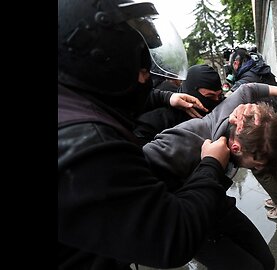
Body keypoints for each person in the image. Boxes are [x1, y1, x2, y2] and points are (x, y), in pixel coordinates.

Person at [58, 1, 233, 269]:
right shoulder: (91, 147)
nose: (145, 79)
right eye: (140, 70)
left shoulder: (72, 99)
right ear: (99, 61)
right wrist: (211, 164)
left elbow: (113, 96)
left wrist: (167, 97)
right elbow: (172, 237)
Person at [143, 75, 277, 269]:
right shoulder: (184, 142)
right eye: (256, 163)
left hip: (218, 204)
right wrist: (209, 164)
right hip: (190, 220)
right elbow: (140, 170)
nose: (258, 169)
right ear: (236, 148)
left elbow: (248, 90)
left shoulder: (235, 116)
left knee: (267, 261)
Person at [226, 47, 277, 219]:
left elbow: (228, 102)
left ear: (236, 63)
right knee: (271, 164)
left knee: (260, 167)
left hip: (264, 129)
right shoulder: (260, 68)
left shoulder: (246, 80)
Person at [134, 64, 224, 145]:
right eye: (210, 97)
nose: (216, 101)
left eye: (219, 96)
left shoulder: (221, 110)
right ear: (192, 92)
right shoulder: (163, 118)